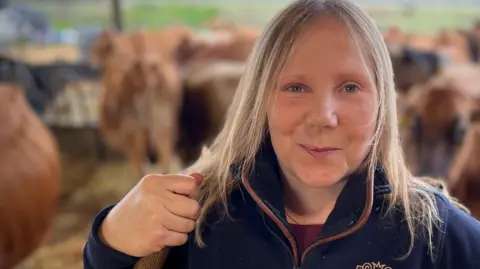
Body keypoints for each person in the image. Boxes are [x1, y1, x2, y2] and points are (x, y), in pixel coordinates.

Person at [83, 0, 480, 268]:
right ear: (261, 99)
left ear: (384, 104)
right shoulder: (196, 221)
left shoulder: (434, 234)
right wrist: (109, 242)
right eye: (295, 87)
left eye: (350, 87)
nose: (323, 116)